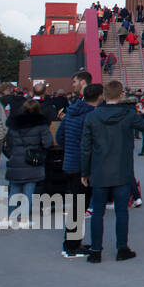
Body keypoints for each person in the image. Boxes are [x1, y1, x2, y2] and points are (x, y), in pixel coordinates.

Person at [79, 80, 144, 263]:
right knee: (122, 212)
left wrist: (84, 172)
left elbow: (86, 147)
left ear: (104, 95)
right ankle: (122, 248)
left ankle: (96, 251)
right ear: (121, 95)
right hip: (122, 170)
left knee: (97, 212)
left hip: (99, 170)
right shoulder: (127, 115)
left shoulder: (92, 117)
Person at [58, 78, 98, 256]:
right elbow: (90, 144)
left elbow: (60, 137)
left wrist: (70, 149)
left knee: (76, 204)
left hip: (69, 163)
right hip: (83, 166)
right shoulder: (91, 117)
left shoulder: (71, 113)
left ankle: (72, 242)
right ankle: (72, 245)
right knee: (80, 205)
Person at [2, 99, 52, 227]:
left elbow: (8, 145)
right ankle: (24, 219)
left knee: (14, 190)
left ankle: (9, 217)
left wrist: (12, 155)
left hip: (16, 159)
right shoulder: (41, 125)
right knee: (29, 191)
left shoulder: (13, 124)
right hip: (33, 160)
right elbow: (48, 143)